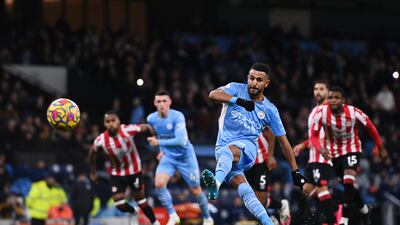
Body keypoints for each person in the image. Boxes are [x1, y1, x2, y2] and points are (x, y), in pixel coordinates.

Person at [201, 62, 308, 225]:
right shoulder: (236, 88)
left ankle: (215, 183)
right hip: (223, 152)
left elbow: (284, 141)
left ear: (266, 83)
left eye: (259, 80)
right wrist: (238, 101)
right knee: (246, 192)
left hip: (248, 151)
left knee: (230, 151)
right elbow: (212, 95)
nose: (254, 83)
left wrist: (295, 171)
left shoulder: (269, 109)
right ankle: (269, 222)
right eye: (251, 78)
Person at [310, 86, 390, 225]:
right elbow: (314, 136)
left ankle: (344, 220)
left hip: (352, 149)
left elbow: (370, 127)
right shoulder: (322, 113)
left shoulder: (353, 112)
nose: (333, 100)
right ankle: (364, 209)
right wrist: (320, 149)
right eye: (330, 98)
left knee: (348, 181)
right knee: (349, 187)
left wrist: (380, 147)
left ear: (343, 100)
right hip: (334, 155)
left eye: (336, 98)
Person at [146, 90, 213, 225]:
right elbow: (160, 134)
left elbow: (181, 140)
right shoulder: (151, 119)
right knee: (159, 183)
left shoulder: (178, 116)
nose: (162, 104)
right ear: (154, 103)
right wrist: (161, 150)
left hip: (185, 156)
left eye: (164, 101)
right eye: (158, 101)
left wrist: (159, 143)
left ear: (170, 102)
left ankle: (207, 217)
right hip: (168, 156)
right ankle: (172, 215)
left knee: (195, 190)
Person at [88, 111, 160, 225]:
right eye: (108, 121)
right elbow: (92, 152)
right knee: (119, 204)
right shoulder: (101, 140)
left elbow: (146, 127)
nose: (111, 124)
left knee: (141, 202)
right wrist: (93, 171)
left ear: (118, 122)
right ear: (104, 124)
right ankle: (133, 212)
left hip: (134, 171)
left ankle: (155, 222)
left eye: (113, 120)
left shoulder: (127, 130)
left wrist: (155, 137)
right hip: (117, 174)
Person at [293, 81, 338, 225]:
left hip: (322, 159)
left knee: (321, 189)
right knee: (307, 189)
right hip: (313, 159)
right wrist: (303, 145)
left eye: (321, 89)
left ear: (327, 92)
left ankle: (335, 220)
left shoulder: (329, 110)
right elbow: (314, 136)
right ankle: (335, 211)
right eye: (316, 89)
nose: (318, 92)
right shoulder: (314, 111)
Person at [245, 128, 291, 225]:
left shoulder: (254, 113)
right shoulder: (227, 117)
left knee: (261, 201)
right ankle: (272, 217)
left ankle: (280, 207)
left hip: (261, 160)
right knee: (251, 200)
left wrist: (270, 155)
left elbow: (270, 129)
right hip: (244, 163)